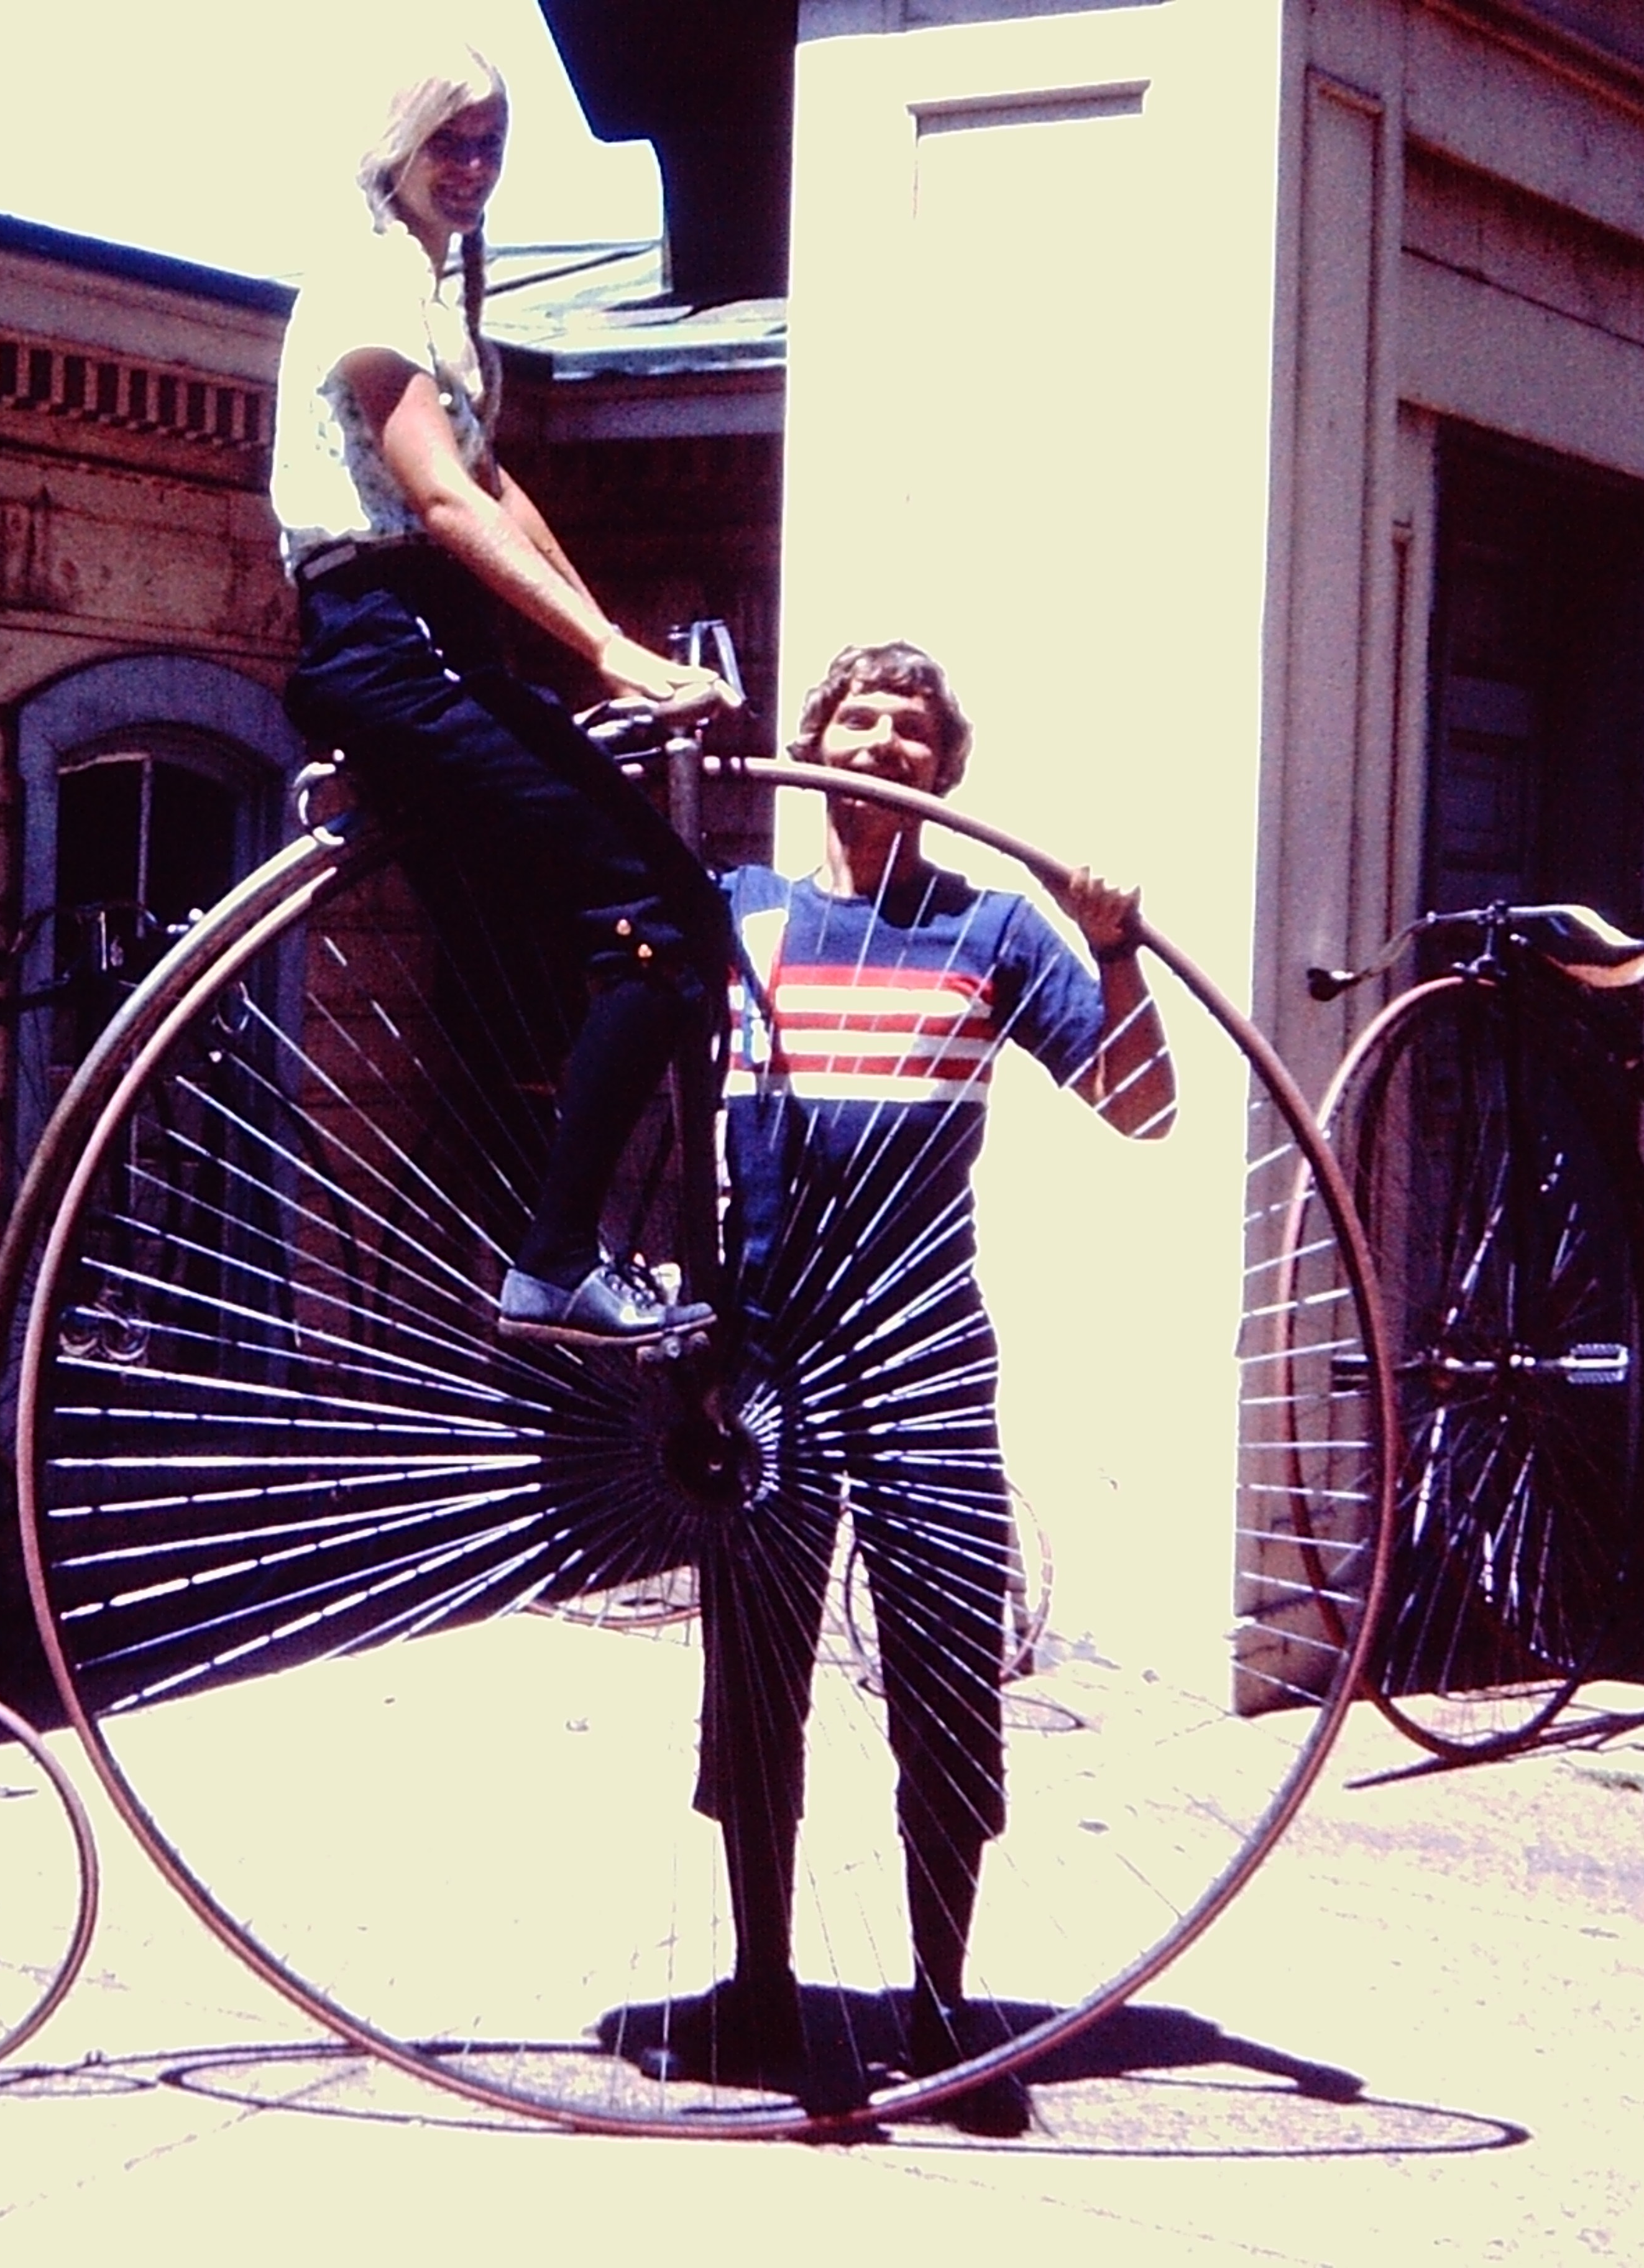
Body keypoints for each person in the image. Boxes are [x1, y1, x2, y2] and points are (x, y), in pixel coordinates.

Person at [600, 642, 1174, 2134]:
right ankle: (761, 1985)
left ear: (945, 770)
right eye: (860, 716)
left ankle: (938, 1999)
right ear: (817, 739)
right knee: (757, 1687)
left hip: (922, 1355)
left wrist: (1112, 950)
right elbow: (597, 1009)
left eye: (915, 729)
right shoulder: (738, 912)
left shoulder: (994, 928)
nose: (884, 742)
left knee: (939, 1673)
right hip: (762, 1354)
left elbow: (1145, 1105)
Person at [271, 45, 742, 1347]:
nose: (473, 169)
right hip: (389, 634)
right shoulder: (371, 277)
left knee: (602, 932)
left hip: (440, 639)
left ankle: (538, 1238)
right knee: (667, 915)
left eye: (492, 145)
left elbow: (500, 496)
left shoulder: (437, 299)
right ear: (398, 148)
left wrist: (610, 643)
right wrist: (609, 656)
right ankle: (549, 1263)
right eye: (452, 143)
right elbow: (435, 495)